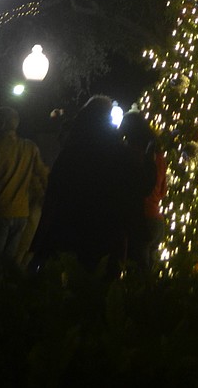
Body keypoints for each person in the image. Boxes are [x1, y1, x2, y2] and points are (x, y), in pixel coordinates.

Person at [31, 95, 148, 275]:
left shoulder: (72, 152)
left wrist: (42, 236)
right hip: (105, 232)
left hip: (70, 229)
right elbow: (131, 194)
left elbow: (54, 193)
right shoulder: (119, 153)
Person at [0, 106, 48, 271]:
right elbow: (43, 174)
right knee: (9, 263)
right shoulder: (30, 147)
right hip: (21, 212)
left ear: (1, 123)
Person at [118, 110, 168, 270]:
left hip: (141, 220)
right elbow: (162, 191)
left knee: (136, 274)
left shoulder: (133, 154)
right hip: (156, 220)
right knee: (149, 275)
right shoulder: (158, 154)